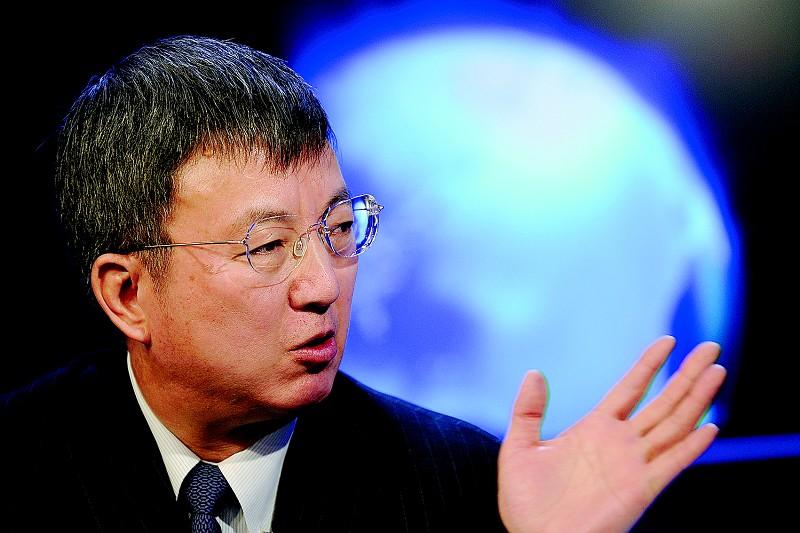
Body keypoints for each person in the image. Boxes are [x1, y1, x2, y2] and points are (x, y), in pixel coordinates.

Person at [1, 35, 726, 532]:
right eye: (267, 246)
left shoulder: (466, 488)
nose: (322, 285)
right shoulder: (20, 464)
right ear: (127, 294)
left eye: (340, 228)